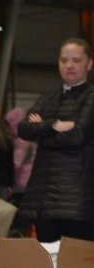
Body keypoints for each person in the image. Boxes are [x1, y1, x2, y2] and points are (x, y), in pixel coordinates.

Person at [17, 37, 94, 242]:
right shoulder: (48, 96)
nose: (69, 65)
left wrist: (40, 133)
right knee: (47, 259)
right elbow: (23, 128)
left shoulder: (91, 96)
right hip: (42, 198)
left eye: (76, 60)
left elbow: (77, 136)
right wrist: (54, 126)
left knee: (76, 261)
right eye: (64, 60)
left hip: (77, 201)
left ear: (89, 63)